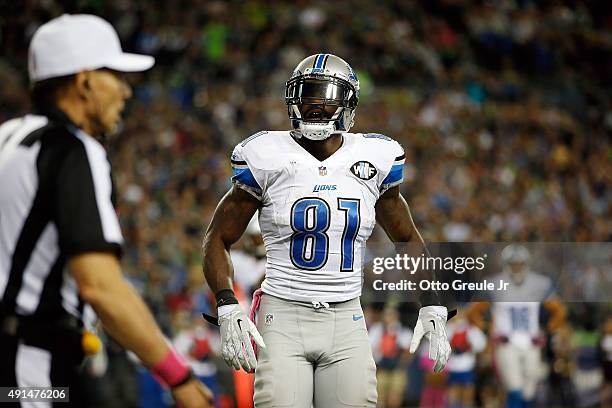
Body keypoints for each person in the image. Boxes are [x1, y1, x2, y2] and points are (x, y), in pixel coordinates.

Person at [202, 53, 452, 407]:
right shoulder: (266, 155)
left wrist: (432, 304)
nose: (315, 107)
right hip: (282, 314)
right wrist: (227, 304)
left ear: (348, 103)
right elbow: (218, 237)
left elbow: (407, 237)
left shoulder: (375, 157)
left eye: (325, 97)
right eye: (307, 96)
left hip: (347, 317)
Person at [0, 14, 212, 407]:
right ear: (84, 82)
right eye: (115, 75)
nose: (126, 92)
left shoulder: (8, 137)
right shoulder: (73, 149)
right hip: (28, 367)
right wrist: (178, 377)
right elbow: (101, 286)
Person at [468, 244, 566, 408]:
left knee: (529, 392)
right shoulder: (494, 283)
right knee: (514, 389)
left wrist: (549, 330)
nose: (517, 267)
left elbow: (559, 310)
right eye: (513, 263)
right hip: (506, 342)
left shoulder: (539, 283)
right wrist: (487, 330)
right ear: (506, 264)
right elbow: (474, 311)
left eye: (519, 263)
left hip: (531, 342)